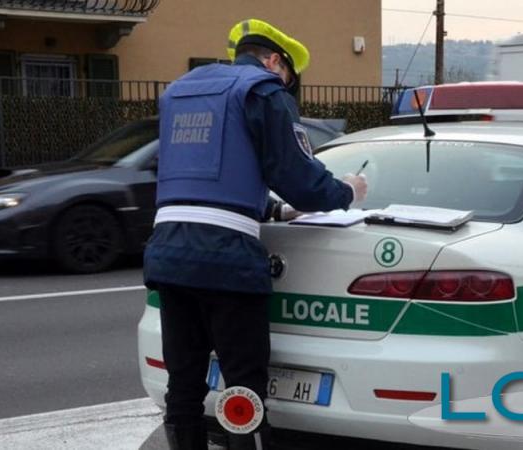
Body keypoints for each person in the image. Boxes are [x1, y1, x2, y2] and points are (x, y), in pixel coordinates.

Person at [143, 18, 367, 450]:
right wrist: (347, 192)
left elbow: (204, 177)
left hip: (168, 255)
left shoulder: (183, 90)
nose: (285, 85)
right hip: (227, 262)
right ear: (275, 61)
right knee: (243, 389)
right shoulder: (263, 90)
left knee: (183, 384)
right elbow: (299, 176)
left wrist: (276, 209)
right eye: (288, 76)